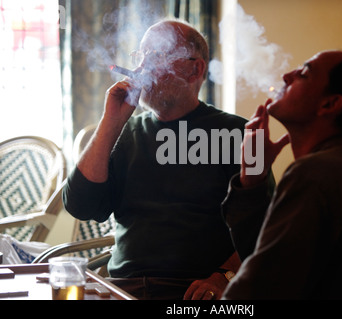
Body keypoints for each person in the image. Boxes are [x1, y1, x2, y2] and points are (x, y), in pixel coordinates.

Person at [63, 19, 255, 300]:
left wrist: (224, 277)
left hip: (196, 291)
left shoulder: (240, 133)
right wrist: (111, 122)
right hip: (123, 288)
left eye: (157, 55)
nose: (142, 68)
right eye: (141, 56)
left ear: (194, 69)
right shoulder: (124, 132)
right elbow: (81, 206)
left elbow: (263, 225)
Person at [221, 50, 342, 299]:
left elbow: (256, 292)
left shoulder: (317, 174)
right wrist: (253, 175)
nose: (287, 75)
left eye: (305, 73)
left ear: (329, 104)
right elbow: (265, 257)